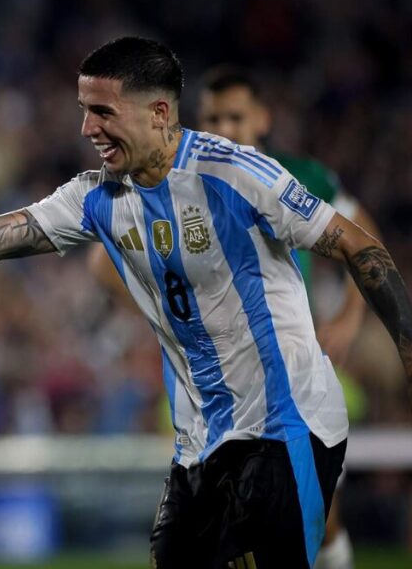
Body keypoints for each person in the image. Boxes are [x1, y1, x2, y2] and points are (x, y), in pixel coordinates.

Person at [0, 37, 412, 569]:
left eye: (103, 112)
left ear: (159, 113)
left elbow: (359, 246)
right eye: (85, 111)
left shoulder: (234, 173)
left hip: (285, 424)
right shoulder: (96, 196)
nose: (87, 128)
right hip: (200, 445)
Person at [87, 66, 380, 568]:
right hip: (216, 384)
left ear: (262, 119)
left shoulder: (297, 175)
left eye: (236, 117)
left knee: (317, 517)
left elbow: (364, 239)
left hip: (287, 374)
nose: (224, 128)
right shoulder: (182, 178)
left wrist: (350, 319)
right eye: (213, 118)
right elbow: (101, 261)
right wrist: (165, 313)